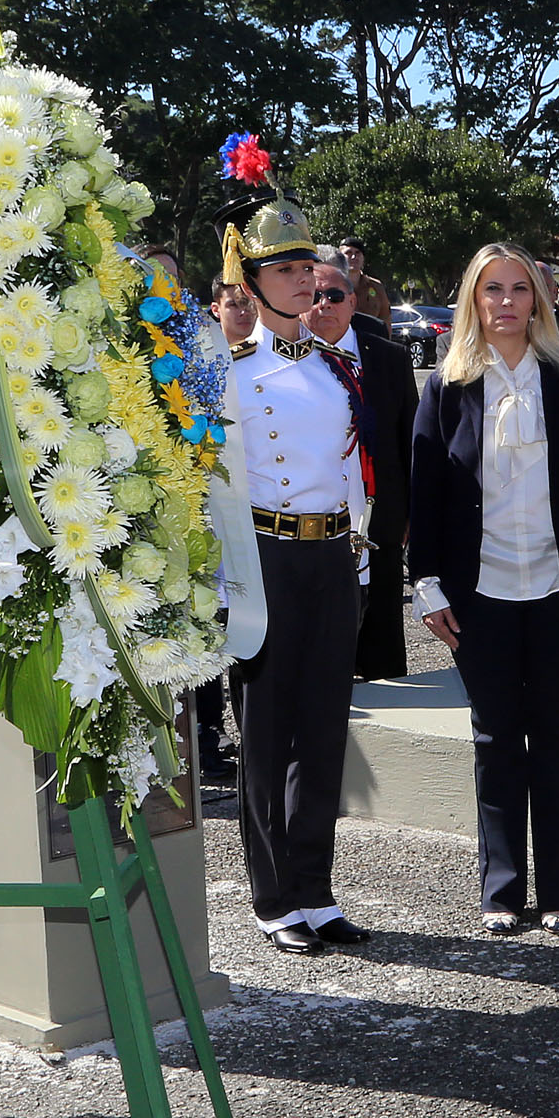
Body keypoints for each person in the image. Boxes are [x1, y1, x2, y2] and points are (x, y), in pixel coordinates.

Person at [412, 244, 559, 934]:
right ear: (473, 302)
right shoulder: (446, 387)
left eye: (519, 289)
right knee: (495, 736)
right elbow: (425, 491)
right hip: (479, 592)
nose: (506, 302)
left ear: (538, 299)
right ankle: (502, 891)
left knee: (556, 734)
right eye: (492, 290)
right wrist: (426, 583)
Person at [218, 164, 377, 957]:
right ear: (250, 281)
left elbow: (351, 471)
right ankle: (273, 895)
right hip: (266, 559)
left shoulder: (335, 366)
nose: (303, 279)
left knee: (323, 734)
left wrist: (361, 565)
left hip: (330, 557)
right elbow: (211, 485)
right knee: (267, 736)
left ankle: (315, 888)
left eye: (307, 266)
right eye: (284, 268)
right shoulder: (231, 373)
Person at [310, 242, 418, 688]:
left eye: (334, 295)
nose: (324, 305)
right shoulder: (284, 363)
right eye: (314, 295)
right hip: (314, 521)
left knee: (382, 645)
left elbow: (411, 439)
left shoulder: (388, 358)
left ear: (353, 301)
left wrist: (411, 514)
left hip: (380, 518)